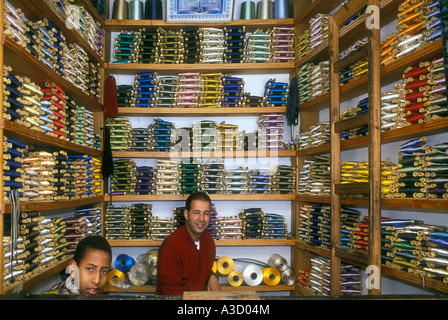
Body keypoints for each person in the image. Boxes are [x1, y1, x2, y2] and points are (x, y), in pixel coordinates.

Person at [156, 191, 220, 296]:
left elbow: (204, 268)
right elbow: (171, 293)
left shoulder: (208, 240)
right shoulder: (171, 246)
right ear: (186, 214)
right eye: (196, 212)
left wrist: (212, 276)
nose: (201, 219)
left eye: (206, 213)